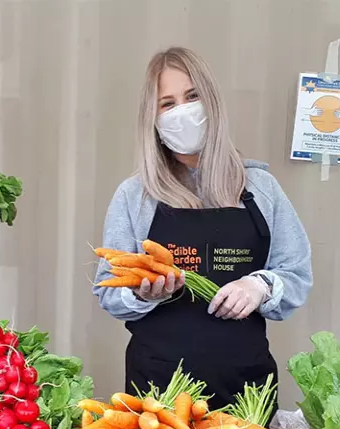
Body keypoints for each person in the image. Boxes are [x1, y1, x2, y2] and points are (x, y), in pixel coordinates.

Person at [94, 47, 312, 409]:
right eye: (167, 104)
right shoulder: (135, 195)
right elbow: (108, 291)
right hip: (159, 391)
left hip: (246, 388)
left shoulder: (260, 187)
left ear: (211, 102)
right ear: (153, 118)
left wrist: (260, 285)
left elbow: (296, 274)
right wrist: (142, 295)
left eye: (192, 97)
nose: (182, 111)